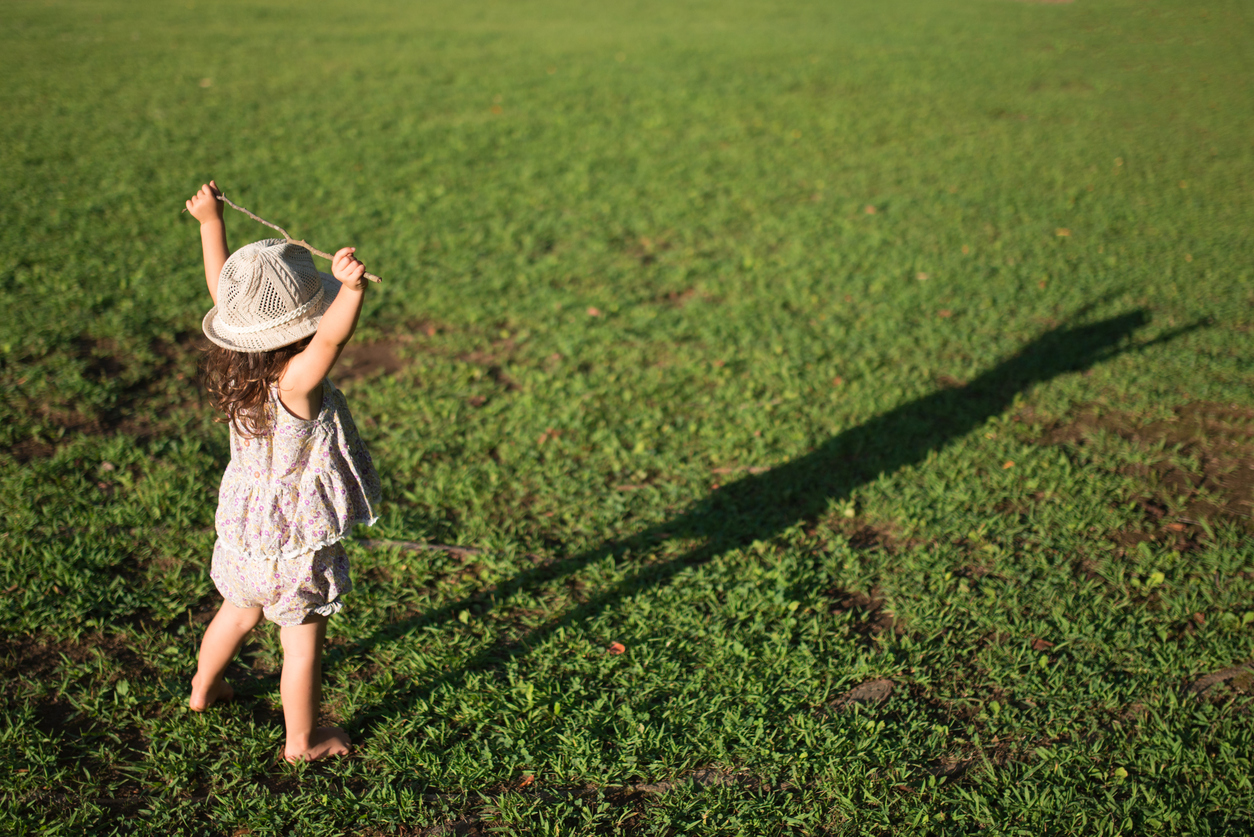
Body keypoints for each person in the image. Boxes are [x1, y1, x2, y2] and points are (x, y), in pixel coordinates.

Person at [183, 181, 381, 762]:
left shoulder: (238, 371)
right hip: (295, 541)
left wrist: (209, 223)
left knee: (235, 614)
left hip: (244, 532)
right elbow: (332, 339)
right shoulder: (295, 385)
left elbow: (224, 292)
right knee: (301, 649)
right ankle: (302, 741)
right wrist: (350, 290)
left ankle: (202, 687)